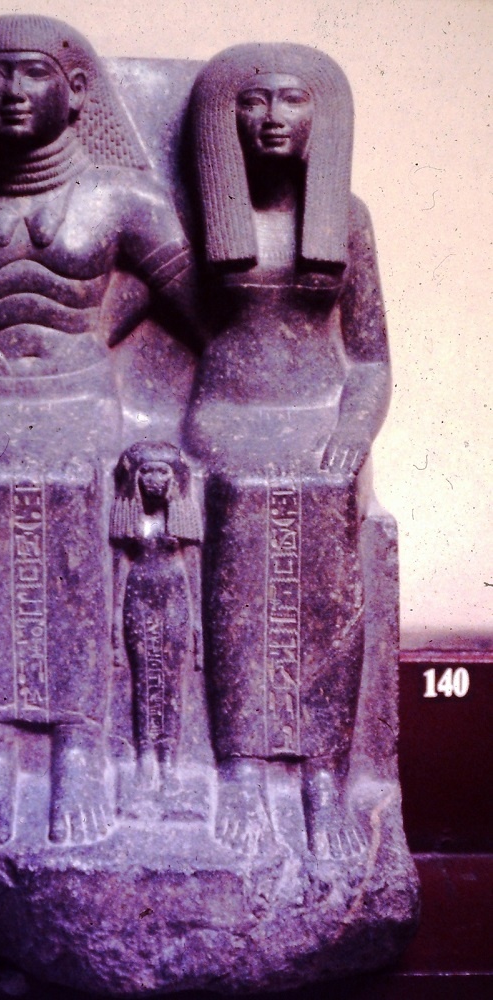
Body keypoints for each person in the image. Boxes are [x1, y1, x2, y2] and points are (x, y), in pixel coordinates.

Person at [0, 15, 196, 847]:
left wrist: (94, 334)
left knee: (76, 559)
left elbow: (202, 311)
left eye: (32, 73)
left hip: (82, 407)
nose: (11, 92)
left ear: (77, 92)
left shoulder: (124, 200)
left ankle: (80, 753)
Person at [184, 44, 391, 858]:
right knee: (244, 532)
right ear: (223, 117)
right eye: (252, 100)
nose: (271, 117)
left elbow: (370, 361)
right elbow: (124, 310)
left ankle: (322, 776)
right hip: (227, 416)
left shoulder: (350, 218)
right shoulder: (197, 216)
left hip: (318, 415)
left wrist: (352, 430)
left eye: (291, 99)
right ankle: (239, 769)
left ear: (322, 115)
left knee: (327, 564)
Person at [110, 442, 202, 803]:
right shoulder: (133, 520)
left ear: (174, 477)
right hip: (138, 595)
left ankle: (168, 761)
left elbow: (193, 571)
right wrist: (114, 620)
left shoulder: (178, 519)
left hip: (175, 596)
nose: (153, 479)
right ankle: (145, 756)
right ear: (134, 477)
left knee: (172, 682)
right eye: (146, 471)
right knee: (144, 678)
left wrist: (198, 624)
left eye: (161, 471)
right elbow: (120, 570)